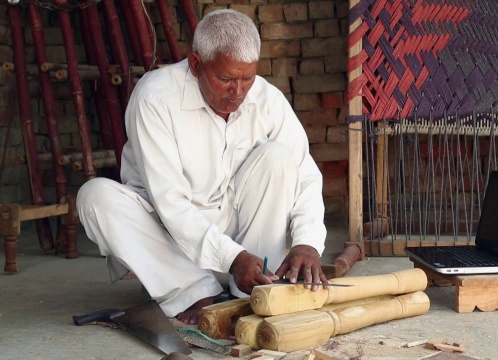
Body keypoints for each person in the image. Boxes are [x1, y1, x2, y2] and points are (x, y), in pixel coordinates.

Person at [77, 9, 328, 325]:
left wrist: (307, 242)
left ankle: (256, 287)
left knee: (278, 156)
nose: (237, 92)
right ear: (196, 64)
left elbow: (305, 173)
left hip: (242, 235)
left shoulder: (267, 99)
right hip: (171, 239)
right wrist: (231, 257)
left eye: (247, 78)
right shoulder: (156, 97)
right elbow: (169, 201)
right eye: (225, 78)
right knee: (95, 197)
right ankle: (192, 291)